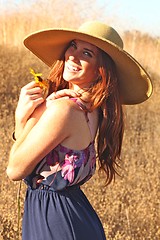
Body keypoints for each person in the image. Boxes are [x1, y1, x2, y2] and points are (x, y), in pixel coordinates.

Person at [7, 21, 152, 240]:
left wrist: (22, 118)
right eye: (73, 46)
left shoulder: (65, 109)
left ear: (101, 71)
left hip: (54, 220)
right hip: (73, 214)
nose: (73, 56)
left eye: (87, 53)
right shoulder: (92, 110)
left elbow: (15, 170)